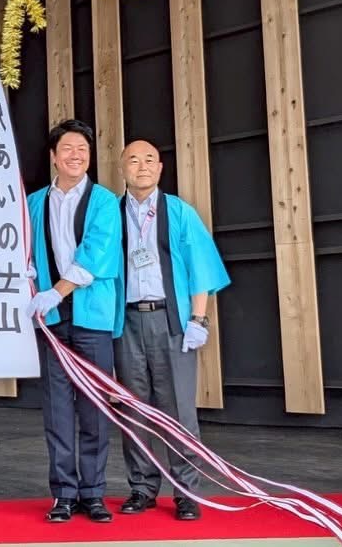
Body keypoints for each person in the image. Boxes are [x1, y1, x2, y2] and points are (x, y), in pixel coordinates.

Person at [114, 139, 230, 522]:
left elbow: (201, 269)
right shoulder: (112, 215)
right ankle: (142, 488)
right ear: (122, 168)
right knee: (132, 409)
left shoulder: (179, 212)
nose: (142, 166)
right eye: (133, 159)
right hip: (126, 321)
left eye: (149, 159)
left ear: (160, 168)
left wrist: (198, 320)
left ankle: (186, 492)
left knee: (179, 410)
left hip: (171, 321)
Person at [25, 120, 122, 524]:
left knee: (95, 407)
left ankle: (93, 493)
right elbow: (13, 246)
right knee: (58, 410)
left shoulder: (104, 201)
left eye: (82, 148)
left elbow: (96, 254)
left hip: (91, 316)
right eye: (67, 148)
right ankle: (63, 493)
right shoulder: (32, 202)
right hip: (51, 320)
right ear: (53, 156)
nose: (76, 155)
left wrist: (57, 290)